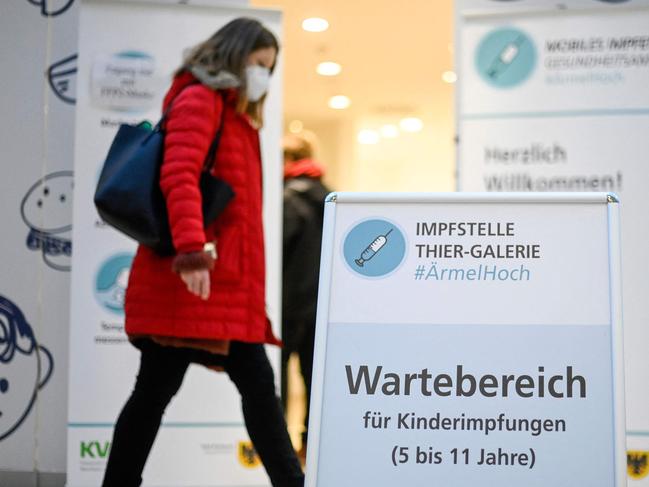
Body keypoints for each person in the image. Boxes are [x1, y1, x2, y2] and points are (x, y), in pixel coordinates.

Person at [102, 18, 304, 487]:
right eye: (257, 64)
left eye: (269, 69)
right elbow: (179, 175)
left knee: (154, 394)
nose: (263, 76)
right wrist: (192, 251)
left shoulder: (233, 112)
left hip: (219, 285)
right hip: (198, 279)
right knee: (254, 393)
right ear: (233, 55)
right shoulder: (200, 99)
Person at [281, 131, 331, 463]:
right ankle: (311, 446)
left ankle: (279, 449)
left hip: (287, 303)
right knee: (316, 379)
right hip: (323, 305)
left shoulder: (284, 199)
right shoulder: (332, 196)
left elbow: (279, 249)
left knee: (275, 377)